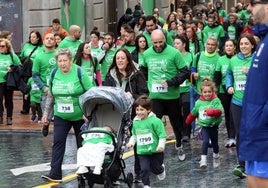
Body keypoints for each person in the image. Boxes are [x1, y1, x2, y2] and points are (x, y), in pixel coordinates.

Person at [41, 48, 92, 182]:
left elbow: (91, 93)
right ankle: (55, 173)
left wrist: (87, 112)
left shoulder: (79, 72)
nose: (62, 64)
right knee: (57, 142)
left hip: (80, 116)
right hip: (61, 115)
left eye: (65, 61)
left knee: (82, 144)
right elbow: (51, 95)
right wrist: (46, 114)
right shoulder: (54, 74)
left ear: (71, 60)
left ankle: (86, 173)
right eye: (59, 61)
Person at [141, 30, 189, 160]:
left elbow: (185, 71)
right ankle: (155, 151)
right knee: (154, 124)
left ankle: (179, 144)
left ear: (165, 40)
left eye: (160, 42)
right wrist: (146, 87)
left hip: (172, 96)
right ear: (151, 41)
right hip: (156, 97)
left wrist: (172, 82)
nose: (158, 45)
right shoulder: (147, 54)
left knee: (176, 124)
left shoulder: (174, 53)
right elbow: (143, 70)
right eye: (155, 43)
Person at [103, 48, 148, 183]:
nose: (120, 61)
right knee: (114, 143)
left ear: (128, 60)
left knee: (136, 143)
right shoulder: (110, 75)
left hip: (134, 114)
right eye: (118, 58)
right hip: (115, 114)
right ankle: (112, 173)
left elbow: (145, 95)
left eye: (123, 58)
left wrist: (132, 96)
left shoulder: (137, 74)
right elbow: (105, 91)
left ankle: (139, 172)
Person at [239, 2, 268, 187]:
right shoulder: (263, 41)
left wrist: (261, 121)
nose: (248, 9)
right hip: (255, 132)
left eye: (252, 3)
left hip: (262, 135)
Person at [225, 33, 256, 178]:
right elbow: (229, 74)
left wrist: (250, 73)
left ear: (252, 45)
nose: (243, 46)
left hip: (255, 103)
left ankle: (256, 162)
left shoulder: (258, 60)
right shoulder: (233, 60)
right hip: (237, 102)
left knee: (254, 132)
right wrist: (229, 85)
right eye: (241, 44)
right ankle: (241, 164)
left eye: (246, 44)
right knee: (240, 133)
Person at [126, 95, 167, 188]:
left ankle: (161, 169)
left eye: (142, 110)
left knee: (156, 169)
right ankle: (146, 185)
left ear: (148, 110)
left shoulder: (155, 121)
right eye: (137, 110)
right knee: (144, 169)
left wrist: (161, 146)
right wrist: (131, 142)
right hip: (142, 151)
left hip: (155, 151)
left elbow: (162, 135)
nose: (139, 112)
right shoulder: (136, 122)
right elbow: (134, 135)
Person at [185, 78, 223, 168]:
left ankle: (216, 155)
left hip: (213, 125)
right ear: (201, 92)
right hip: (205, 126)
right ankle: (203, 160)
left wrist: (210, 112)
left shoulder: (216, 101)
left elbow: (219, 111)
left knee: (215, 143)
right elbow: (194, 112)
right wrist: (188, 121)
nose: (207, 94)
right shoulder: (199, 103)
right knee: (205, 141)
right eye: (205, 92)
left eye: (209, 92)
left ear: (213, 91)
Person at [32, 33, 57, 136]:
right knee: (47, 114)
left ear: (55, 42)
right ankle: (45, 125)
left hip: (59, 88)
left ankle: (58, 132)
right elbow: (35, 75)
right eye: (47, 38)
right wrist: (43, 87)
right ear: (43, 41)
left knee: (59, 115)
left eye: (52, 39)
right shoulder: (39, 57)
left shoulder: (58, 54)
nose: (49, 40)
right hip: (46, 90)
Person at [214, 39, 236, 148]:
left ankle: (237, 135)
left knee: (235, 113)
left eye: (231, 45)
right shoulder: (220, 60)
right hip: (223, 92)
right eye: (226, 45)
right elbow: (217, 77)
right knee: (228, 114)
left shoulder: (237, 59)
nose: (228, 47)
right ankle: (231, 137)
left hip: (237, 91)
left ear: (234, 47)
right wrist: (215, 90)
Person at [173, 35, 193, 142]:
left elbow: (193, 70)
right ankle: (180, 131)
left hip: (186, 88)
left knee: (186, 110)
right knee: (176, 112)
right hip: (175, 89)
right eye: (174, 43)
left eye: (177, 43)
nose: (175, 45)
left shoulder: (190, 56)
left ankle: (186, 133)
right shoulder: (172, 56)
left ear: (184, 45)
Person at [20, 31, 43, 115]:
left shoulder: (42, 47)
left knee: (36, 88)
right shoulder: (26, 45)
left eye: (34, 37)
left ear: (38, 38)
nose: (32, 39)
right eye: (30, 37)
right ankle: (25, 108)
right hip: (26, 71)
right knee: (26, 89)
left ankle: (38, 107)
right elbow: (22, 56)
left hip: (36, 70)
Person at [0, 38, 21, 125]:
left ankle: (9, 117)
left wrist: (12, 68)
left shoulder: (12, 56)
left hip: (9, 81)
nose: (1, 48)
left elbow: (20, 66)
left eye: (2, 46)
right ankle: (0, 116)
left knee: (9, 100)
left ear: (7, 47)